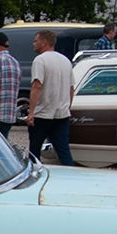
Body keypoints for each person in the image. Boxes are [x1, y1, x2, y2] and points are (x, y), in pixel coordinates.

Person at [26, 29, 75, 165]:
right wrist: (67, 106)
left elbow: (37, 85)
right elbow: (71, 88)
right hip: (62, 113)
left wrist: (31, 112)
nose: (33, 44)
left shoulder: (40, 60)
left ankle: (35, 173)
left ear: (44, 42)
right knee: (63, 149)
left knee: (34, 150)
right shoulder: (65, 60)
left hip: (43, 113)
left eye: (36, 41)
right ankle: (70, 173)